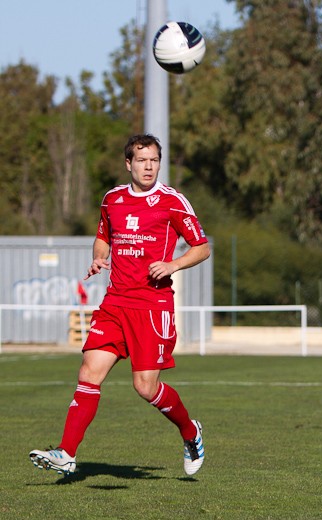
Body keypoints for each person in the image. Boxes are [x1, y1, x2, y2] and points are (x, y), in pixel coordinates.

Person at [29, 133, 211, 477]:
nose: (149, 167)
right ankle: (66, 453)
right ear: (128, 164)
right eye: (141, 160)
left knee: (145, 387)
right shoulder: (112, 199)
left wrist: (173, 265)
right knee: (89, 372)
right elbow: (103, 237)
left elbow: (202, 247)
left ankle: (190, 432)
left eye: (154, 160)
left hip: (152, 305)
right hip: (115, 302)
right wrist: (99, 257)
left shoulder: (173, 202)